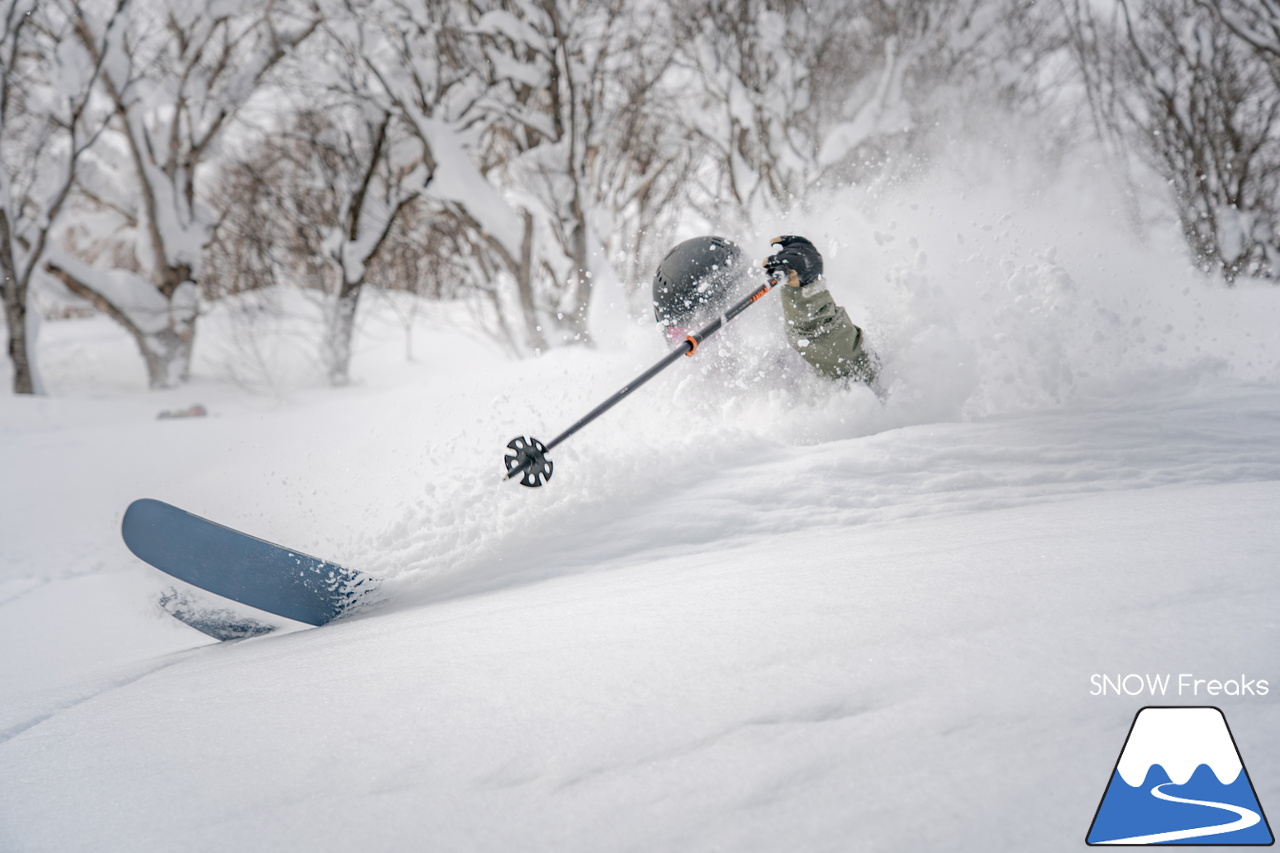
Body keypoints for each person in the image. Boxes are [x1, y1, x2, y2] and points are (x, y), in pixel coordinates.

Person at [651, 234, 877, 385]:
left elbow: (856, 374)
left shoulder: (784, 362)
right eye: (681, 337)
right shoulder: (676, 398)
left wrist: (808, 302)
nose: (707, 354)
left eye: (716, 334)